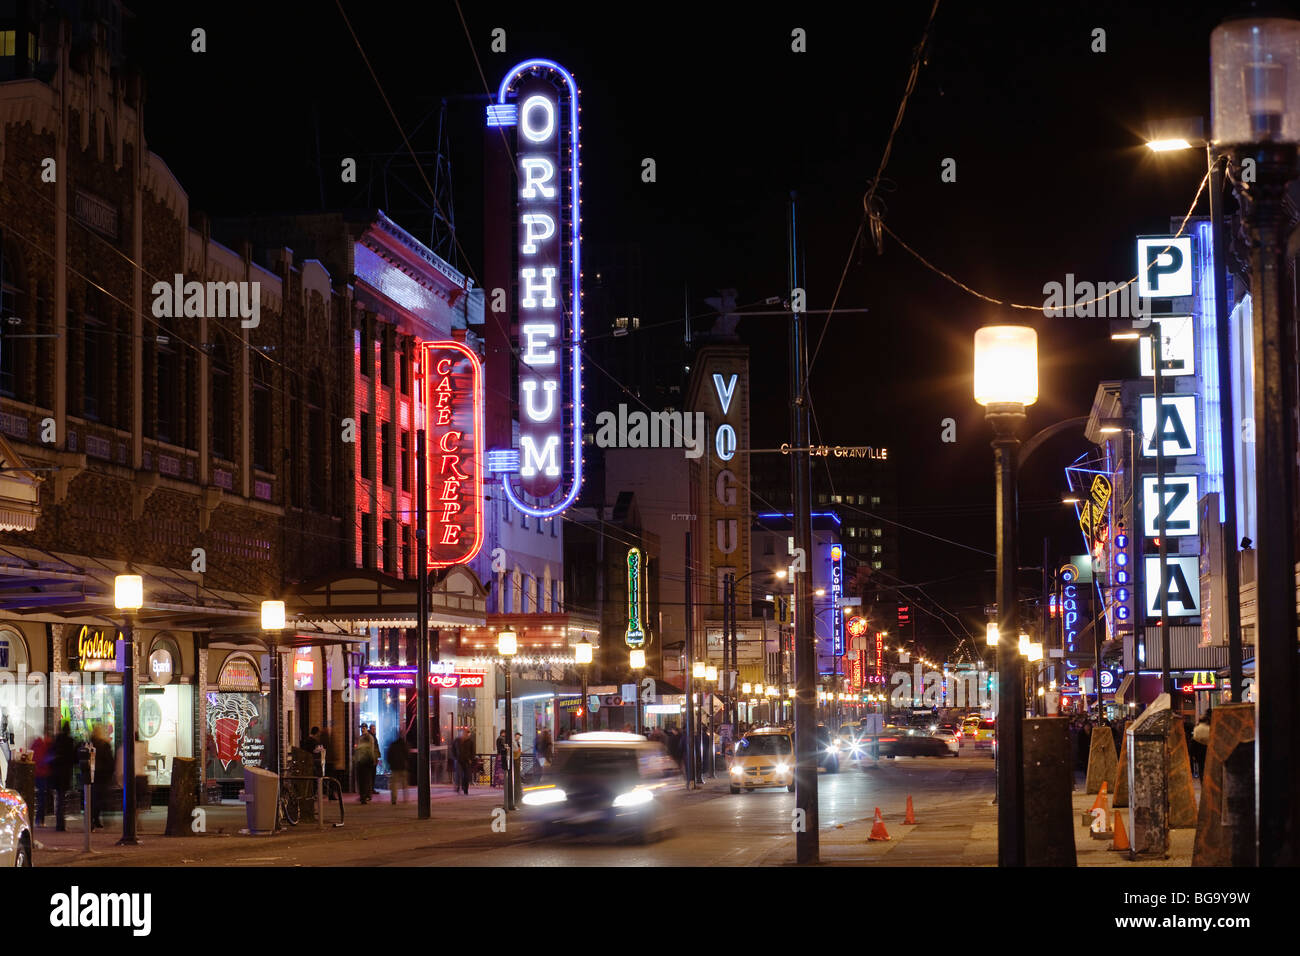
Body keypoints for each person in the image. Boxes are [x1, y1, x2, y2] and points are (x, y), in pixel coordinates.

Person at [51, 723, 76, 832]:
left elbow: (52, 755)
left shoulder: (56, 740)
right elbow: (73, 758)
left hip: (56, 774)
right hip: (65, 773)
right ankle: (61, 824)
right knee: (62, 799)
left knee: (59, 798)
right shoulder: (69, 741)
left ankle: (59, 823)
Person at [91, 724, 114, 830]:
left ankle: (93, 818)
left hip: (92, 774)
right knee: (100, 798)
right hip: (102, 775)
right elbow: (110, 761)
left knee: (93, 798)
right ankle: (97, 819)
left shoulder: (89, 743)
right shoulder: (105, 744)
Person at [354, 725, 378, 803]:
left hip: (366, 761)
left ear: (366, 728)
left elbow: (371, 749)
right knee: (362, 780)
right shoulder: (361, 738)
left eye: (364, 728)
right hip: (361, 761)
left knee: (366, 780)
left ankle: (366, 796)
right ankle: (363, 796)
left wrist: (372, 760)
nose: (362, 729)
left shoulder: (369, 737)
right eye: (361, 728)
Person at [31, 734, 50, 827]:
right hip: (42, 775)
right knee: (42, 799)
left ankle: (39, 820)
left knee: (40, 798)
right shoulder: (43, 746)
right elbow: (44, 760)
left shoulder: (34, 745)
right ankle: (40, 820)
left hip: (36, 775)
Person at [386, 732, 410, 803]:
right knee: (404, 784)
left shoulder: (393, 745)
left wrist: (390, 764)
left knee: (394, 784)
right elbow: (407, 755)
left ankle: (394, 799)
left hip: (394, 767)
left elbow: (389, 756)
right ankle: (405, 798)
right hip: (402, 766)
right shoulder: (404, 745)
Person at [1191, 713, 1211, 778]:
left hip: (1199, 750)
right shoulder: (1209, 728)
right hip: (1208, 749)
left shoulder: (1196, 728)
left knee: (1201, 766)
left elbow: (1194, 741)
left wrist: (1193, 753)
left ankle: (1202, 779)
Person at [456, 728, 474, 795]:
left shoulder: (470, 741)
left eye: (467, 733)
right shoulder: (457, 741)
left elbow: (472, 751)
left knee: (466, 775)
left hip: (467, 760)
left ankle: (465, 788)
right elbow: (453, 749)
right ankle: (458, 786)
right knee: (459, 774)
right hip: (459, 760)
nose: (465, 734)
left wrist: (471, 759)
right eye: (464, 733)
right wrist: (455, 757)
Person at [512, 732, 524, 803]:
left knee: (517, 776)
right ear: (515, 736)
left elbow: (518, 750)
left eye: (520, 736)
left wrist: (520, 752)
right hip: (515, 760)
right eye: (518, 736)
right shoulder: (513, 742)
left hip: (517, 759)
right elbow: (514, 751)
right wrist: (518, 752)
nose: (519, 737)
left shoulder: (517, 742)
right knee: (516, 776)